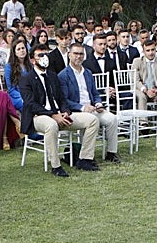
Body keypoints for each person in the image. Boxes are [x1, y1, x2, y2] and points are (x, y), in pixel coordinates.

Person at [19, 46, 100, 177]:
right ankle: (56, 166)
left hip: (59, 114)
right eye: (40, 55)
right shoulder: (26, 79)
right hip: (38, 116)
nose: (44, 57)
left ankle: (85, 159)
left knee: (92, 120)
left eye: (46, 54)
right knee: (51, 125)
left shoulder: (53, 76)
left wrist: (65, 112)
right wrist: (52, 115)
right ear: (32, 60)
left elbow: (62, 98)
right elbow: (31, 104)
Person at [59, 43, 119, 166]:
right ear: (69, 55)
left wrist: (98, 103)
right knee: (92, 120)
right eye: (75, 53)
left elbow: (95, 93)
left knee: (112, 118)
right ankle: (86, 158)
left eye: (81, 54)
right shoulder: (63, 75)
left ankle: (111, 153)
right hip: (76, 111)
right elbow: (64, 100)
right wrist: (82, 107)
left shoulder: (88, 73)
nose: (78, 57)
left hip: (92, 108)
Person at [130, 39, 157, 136]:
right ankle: (144, 125)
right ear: (143, 51)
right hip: (140, 89)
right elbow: (135, 80)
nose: (150, 53)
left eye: (152, 50)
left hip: (155, 89)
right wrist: (146, 90)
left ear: (155, 50)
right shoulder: (137, 61)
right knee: (141, 97)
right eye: (148, 50)